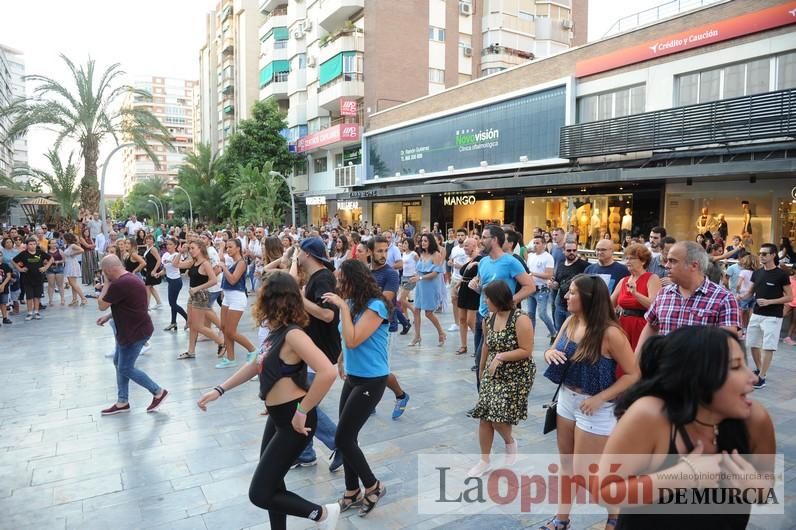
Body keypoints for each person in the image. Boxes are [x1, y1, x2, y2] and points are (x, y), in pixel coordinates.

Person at [196, 271, 341, 530]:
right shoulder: (277, 333)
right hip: (278, 419)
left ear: (272, 299)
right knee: (274, 483)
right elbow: (256, 364)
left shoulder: (294, 335)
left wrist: (302, 409)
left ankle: (322, 514)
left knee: (260, 493)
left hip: (294, 421)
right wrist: (220, 389)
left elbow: (327, 372)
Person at [599, 326, 775, 529]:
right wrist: (684, 476)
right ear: (697, 376)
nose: (752, 377)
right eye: (735, 367)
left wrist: (756, 487)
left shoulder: (755, 420)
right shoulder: (650, 415)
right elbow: (607, 493)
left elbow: (765, 488)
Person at [540, 274, 638, 530]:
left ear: (588, 298)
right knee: (567, 464)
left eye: (572, 292)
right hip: (567, 399)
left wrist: (601, 398)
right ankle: (561, 519)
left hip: (597, 407)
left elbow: (633, 374)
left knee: (588, 472)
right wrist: (549, 352)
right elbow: (552, 348)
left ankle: (615, 514)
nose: (565, 296)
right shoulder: (571, 321)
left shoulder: (610, 333)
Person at [321, 260, 390, 517]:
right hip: (353, 377)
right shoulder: (351, 303)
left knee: (342, 437)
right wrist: (340, 359)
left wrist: (341, 307)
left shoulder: (376, 306)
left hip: (373, 379)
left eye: (341, 280)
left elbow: (353, 339)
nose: (338, 285)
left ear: (354, 280)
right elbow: (345, 338)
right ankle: (352, 491)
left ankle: (373, 486)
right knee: (347, 437)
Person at [468, 280, 535, 477]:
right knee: (484, 417)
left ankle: (510, 443)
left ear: (498, 298)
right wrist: (481, 373)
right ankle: (484, 460)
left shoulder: (520, 319)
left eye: (487, 297)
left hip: (516, 374)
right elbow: (486, 347)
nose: (485, 300)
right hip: (492, 373)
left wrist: (501, 357)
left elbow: (526, 350)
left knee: (497, 418)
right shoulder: (488, 319)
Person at [289, 236, 344, 472]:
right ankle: (306, 452)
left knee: (304, 405)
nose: (297, 256)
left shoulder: (322, 278)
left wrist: (300, 300)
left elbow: (328, 314)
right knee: (303, 404)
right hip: (313, 351)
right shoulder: (316, 278)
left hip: (320, 353)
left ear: (308, 254)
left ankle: (339, 443)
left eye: (299, 252)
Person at [636, 241, 741, 353]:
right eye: (667, 261)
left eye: (672, 261)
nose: (666, 266)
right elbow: (651, 327)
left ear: (694, 266)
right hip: (664, 369)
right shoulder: (664, 294)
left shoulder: (724, 298)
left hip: (702, 370)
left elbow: (729, 347)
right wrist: (637, 363)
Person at [96, 255, 168, 415]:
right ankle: (122, 401)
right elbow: (127, 305)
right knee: (118, 362)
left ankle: (158, 392)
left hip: (134, 332)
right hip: (134, 328)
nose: (105, 276)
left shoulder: (119, 283)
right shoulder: (131, 279)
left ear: (109, 270)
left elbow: (101, 305)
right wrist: (109, 316)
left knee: (125, 367)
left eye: (105, 273)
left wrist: (106, 284)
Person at [468, 225, 535, 388]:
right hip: (483, 316)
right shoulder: (483, 262)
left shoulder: (510, 262)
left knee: (489, 358)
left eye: (484, 237)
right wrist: (475, 286)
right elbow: (484, 290)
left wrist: (508, 302)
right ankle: (483, 400)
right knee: (480, 361)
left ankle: (489, 399)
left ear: (495, 240)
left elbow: (530, 286)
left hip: (501, 319)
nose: (481, 241)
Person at [366, 236, 411, 419]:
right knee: (368, 366)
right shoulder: (366, 272)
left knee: (380, 370)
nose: (384, 254)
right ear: (371, 252)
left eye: (386, 250)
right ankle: (370, 402)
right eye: (379, 251)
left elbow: (385, 298)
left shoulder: (390, 273)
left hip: (386, 325)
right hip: (366, 324)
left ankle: (401, 395)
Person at [746, 243, 791, 389]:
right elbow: (750, 292)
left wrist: (770, 302)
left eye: (764, 254)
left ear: (773, 255)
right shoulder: (757, 272)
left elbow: (789, 297)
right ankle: (760, 370)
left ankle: (762, 377)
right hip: (756, 313)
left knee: (768, 346)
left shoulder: (781, 274)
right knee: (752, 344)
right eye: (760, 253)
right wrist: (739, 297)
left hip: (773, 316)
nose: (761, 256)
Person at [176, 240, 225, 359]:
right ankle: (191, 351)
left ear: (200, 249)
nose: (190, 250)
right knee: (192, 325)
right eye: (190, 248)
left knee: (198, 326)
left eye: (193, 248)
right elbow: (176, 264)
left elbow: (214, 280)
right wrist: (180, 252)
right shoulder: (193, 262)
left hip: (201, 295)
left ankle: (222, 343)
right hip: (193, 295)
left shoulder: (205, 263)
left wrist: (198, 288)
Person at [611, 243, 661, 351]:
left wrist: (636, 294)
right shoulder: (623, 280)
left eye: (632, 258)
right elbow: (609, 304)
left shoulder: (652, 278)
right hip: (622, 325)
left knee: (638, 360)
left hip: (642, 327)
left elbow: (655, 305)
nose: (628, 261)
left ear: (643, 261)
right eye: (626, 258)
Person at [218, 238, 258, 369]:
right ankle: (230, 358)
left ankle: (252, 349)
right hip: (228, 296)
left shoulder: (241, 263)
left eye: (230, 247)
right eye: (227, 247)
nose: (228, 250)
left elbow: (233, 280)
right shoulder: (233, 262)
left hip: (237, 297)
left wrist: (224, 268)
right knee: (224, 328)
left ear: (238, 248)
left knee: (230, 331)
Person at [409, 233, 447, 346]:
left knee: (428, 313)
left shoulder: (436, 254)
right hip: (420, 285)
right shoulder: (421, 253)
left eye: (425, 241)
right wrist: (415, 277)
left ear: (430, 242)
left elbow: (435, 273)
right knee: (416, 310)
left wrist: (420, 277)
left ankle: (441, 332)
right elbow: (419, 269)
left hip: (430, 286)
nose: (423, 243)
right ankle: (417, 336)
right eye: (422, 241)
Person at [549, 240, 589, 331]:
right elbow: (558, 283)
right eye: (569, 250)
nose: (572, 252)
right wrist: (552, 284)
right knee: (559, 328)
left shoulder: (585, 266)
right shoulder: (561, 265)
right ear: (563, 251)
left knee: (571, 331)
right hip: (560, 302)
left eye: (574, 250)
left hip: (574, 304)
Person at [526, 234, 557, 343]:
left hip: (542, 289)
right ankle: (530, 338)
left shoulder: (548, 257)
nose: (535, 245)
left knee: (542, 314)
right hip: (531, 289)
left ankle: (553, 332)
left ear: (544, 244)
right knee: (530, 315)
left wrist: (533, 274)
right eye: (534, 243)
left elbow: (549, 275)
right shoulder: (531, 256)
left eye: (538, 243)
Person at [13, 237, 52, 320]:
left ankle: (36, 312)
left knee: (37, 296)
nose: (32, 246)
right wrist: (20, 269)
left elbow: (51, 259)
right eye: (30, 244)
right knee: (29, 296)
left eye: (34, 244)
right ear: (27, 245)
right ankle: (29, 313)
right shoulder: (23, 253)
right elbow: (13, 261)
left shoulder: (40, 252)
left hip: (38, 277)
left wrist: (45, 267)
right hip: (27, 278)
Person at [456, 237, 482, 355]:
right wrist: (457, 286)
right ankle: (463, 345)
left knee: (471, 320)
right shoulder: (469, 259)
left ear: (473, 246)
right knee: (462, 319)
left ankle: (480, 343)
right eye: (464, 245)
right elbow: (464, 276)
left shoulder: (480, 259)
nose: (464, 248)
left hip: (472, 291)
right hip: (464, 289)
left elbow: (481, 273)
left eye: (467, 245)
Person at [158, 238, 188, 332]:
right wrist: (159, 273)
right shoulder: (165, 255)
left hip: (176, 281)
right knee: (173, 303)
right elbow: (165, 270)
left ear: (175, 246)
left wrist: (180, 252)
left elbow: (176, 265)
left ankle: (188, 318)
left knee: (172, 304)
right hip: (170, 281)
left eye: (170, 244)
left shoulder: (176, 255)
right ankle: (173, 322)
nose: (168, 246)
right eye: (167, 244)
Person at [397, 238, 417, 335]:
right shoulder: (403, 254)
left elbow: (420, 264)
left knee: (401, 299)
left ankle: (415, 312)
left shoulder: (414, 254)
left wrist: (416, 275)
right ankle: (407, 319)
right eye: (403, 243)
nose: (404, 245)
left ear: (410, 244)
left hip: (411, 278)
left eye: (405, 243)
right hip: (404, 277)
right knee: (403, 301)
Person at [141, 234, 163, 309]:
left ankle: (147, 305)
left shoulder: (153, 249)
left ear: (153, 240)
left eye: (150, 239)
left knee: (147, 286)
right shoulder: (148, 248)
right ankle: (159, 302)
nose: (148, 240)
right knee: (150, 287)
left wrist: (154, 270)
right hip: (149, 269)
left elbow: (159, 260)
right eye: (147, 239)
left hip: (152, 270)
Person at [45, 239, 66, 306]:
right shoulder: (47, 252)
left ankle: (62, 299)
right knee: (51, 285)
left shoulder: (60, 251)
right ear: (49, 244)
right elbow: (44, 260)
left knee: (60, 285)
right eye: (52, 243)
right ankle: (50, 300)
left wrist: (58, 261)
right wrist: (48, 262)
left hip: (59, 268)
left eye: (55, 243)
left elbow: (64, 260)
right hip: (50, 269)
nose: (54, 245)